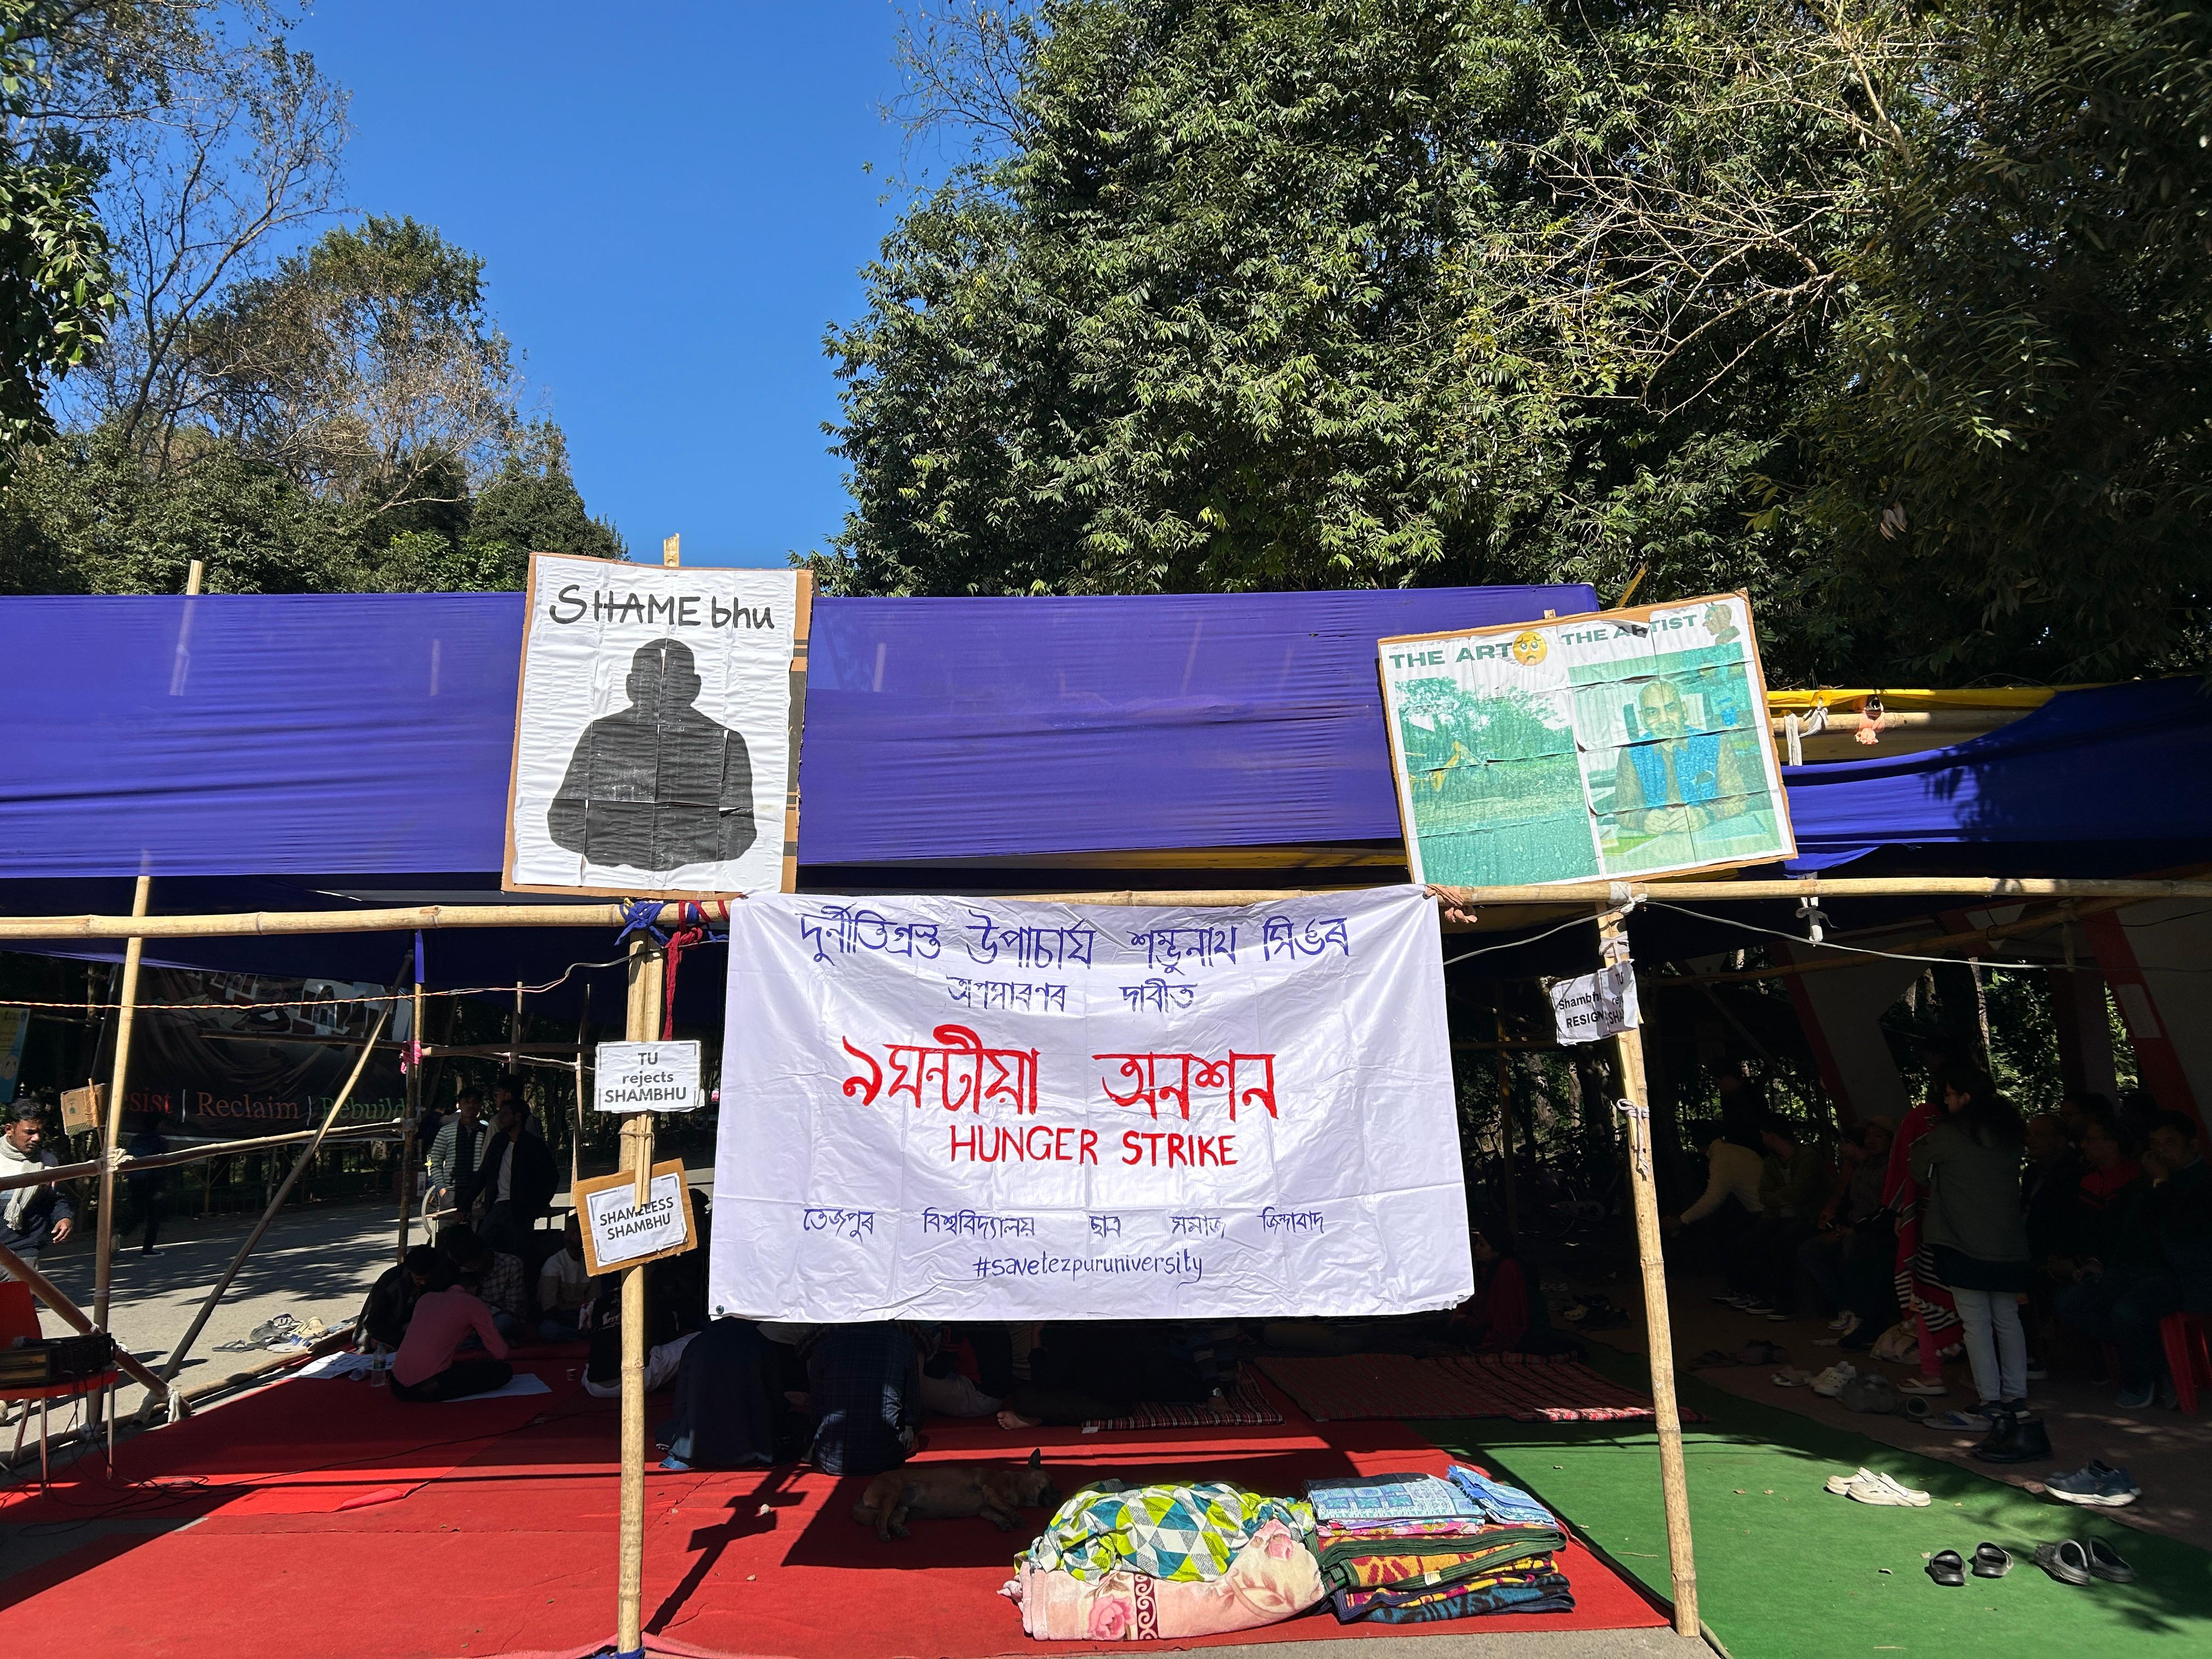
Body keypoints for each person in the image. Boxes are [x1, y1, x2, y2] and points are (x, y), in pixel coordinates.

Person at [547, 637, 758, 871]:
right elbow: (563, 817)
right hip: (608, 871)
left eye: (673, 682)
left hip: (693, 873)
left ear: (694, 686)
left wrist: (684, 854)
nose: (661, 690)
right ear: (631, 684)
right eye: (650, 680)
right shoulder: (602, 733)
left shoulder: (727, 741)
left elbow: (741, 826)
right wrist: (612, 850)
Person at [1912, 1066, 2034, 1444]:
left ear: (1965, 1098)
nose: (1946, 1101)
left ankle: (1990, 1400)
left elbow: (1917, 1169)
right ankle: (2016, 1399)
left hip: (1962, 1242)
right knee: (2008, 1319)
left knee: (1976, 1324)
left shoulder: (1948, 1135)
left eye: (1950, 1095)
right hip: (2009, 1243)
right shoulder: (2011, 1134)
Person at [2060, 1111, 2212, 1407]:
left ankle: (2141, 1380)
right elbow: (2124, 1230)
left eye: (2170, 1143)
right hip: (2131, 1270)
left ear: (2192, 1145)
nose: (2161, 1151)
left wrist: (2161, 1181)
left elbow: (2184, 1227)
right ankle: (2156, 1366)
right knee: (2072, 1303)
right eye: (2155, 1144)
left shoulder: (2204, 1182)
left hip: (2183, 1276)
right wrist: (2097, 1261)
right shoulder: (2143, 1184)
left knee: (2127, 1311)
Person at [1880, 1062, 1962, 1390]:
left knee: (1928, 1294)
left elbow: (1910, 1169)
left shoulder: (1927, 1125)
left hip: (1939, 1228)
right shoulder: (1987, 1135)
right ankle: (2002, 1389)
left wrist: (1906, 1213)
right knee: (1986, 1310)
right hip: (1969, 1232)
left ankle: (1933, 1372)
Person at [1797, 1119, 1896, 1336]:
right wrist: (1838, 1225)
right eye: (1868, 1136)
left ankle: (1864, 1315)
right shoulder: (1861, 1168)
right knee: (1811, 1249)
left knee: (1854, 1250)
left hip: (1877, 1230)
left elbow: (1887, 1210)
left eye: (1878, 1136)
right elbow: (1851, 1202)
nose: (1871, 1141)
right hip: (1855, 1225)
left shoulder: (1894, 1168)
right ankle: (1846, 1307)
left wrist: (1855, 1230)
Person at [803, 1322, 922, 1475]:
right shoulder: (903, 1342)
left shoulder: (826, 1343)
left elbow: (815, 1410)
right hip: (887, 1459)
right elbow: (914, 1410)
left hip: (830, 1458)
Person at [390, 1269, 511, 1402]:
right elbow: (500, 1352)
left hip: (396, 1383)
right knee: (503, 1371)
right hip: (429, 1385)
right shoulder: (473, 1303)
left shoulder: (426, 1299)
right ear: (474, 1289)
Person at [476, 1091, 556, 1258]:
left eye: (505, 1115)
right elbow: (484, 1173)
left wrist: (536, 1206)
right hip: (498, 1205)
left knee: (519, 1252)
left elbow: (550, 1178)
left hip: (520, 1208)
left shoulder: (533, 1145)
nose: (500, 1118)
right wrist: (465, 1204)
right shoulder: (498, 1141)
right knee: (482, 1245)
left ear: (518, 1117)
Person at [1454, 1222, 1557, 1352]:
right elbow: (1479, 1300)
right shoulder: (1486, 1267)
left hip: (1521, 1333)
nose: (1476, 1248)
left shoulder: (1507, 1270)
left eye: (1482, 1245)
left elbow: (1507, 1316)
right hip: (1493, 1324)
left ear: (1496, 1249)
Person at [0, 1101, 75, 1266]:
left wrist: (64, 1217)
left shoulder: (47, 1162)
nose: (37, 1138)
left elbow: (55, 1198)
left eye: (40, 1132)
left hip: (24, 1251)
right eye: (29, 1132)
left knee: (20, 1292)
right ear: (9, 1129)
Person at [441, 1225, 526, 1339]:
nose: (471, 1269)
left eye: (474, 1266)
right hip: (469, 1322)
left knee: (504, 1322)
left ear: (484, 1255)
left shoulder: (512, 1265)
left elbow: (513, 1310)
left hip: (496, 1320)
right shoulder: (459, 1269)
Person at [359, 1244, 444, 1351]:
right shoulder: (393, 1284)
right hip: (384, 1330)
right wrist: (403, 1328)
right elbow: (373, 1324)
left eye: (427, 1279)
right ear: (410, 1271)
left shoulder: (436, 1277)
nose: (423, 1283)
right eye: (419, 1279)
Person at [426, 1088, 488, 1225]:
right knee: (448, 1238)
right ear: (459, 1105)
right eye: (466, 1102)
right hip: (451, 1193)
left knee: (477, 1238)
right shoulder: (446, 1132)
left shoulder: (486, 1133)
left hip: (478, 1194)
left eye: (475, 1102)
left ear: (480, 1106)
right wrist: (443, 1190)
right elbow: (435, 1163)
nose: (471, 1106)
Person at [537, 1212, 591, 1340]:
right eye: (567, 1232)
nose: (568, 1237)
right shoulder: (554, 1264)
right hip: (560, 1317)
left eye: (574, 1232)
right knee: (549, 1330)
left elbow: (594, 1298)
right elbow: (549, 1307)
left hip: (583, 1315)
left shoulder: (590, 1262)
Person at [124, 1113, 170, 1255]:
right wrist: (162, 1187)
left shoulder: (136, 1140)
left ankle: (114, 1243)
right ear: (158, 1125)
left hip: (136, 1182)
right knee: (153, 1218)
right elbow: (163, 1165)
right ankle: (148, 1249)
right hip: (152, 1184)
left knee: (136, 1216)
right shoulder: (161, 1142)